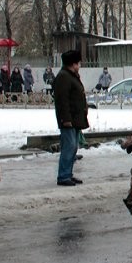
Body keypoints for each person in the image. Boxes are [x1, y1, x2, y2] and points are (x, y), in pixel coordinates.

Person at [53, 50, 88, 186]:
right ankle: (63, 176)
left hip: (75, 119)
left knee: (73, 148)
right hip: (69, 120)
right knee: (69, 147)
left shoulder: (70, 75)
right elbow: (63, 101)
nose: (79, 65)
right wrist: (66, 119)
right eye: (78, 63)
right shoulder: (64, 77)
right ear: (72, 64)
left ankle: (68, 174)